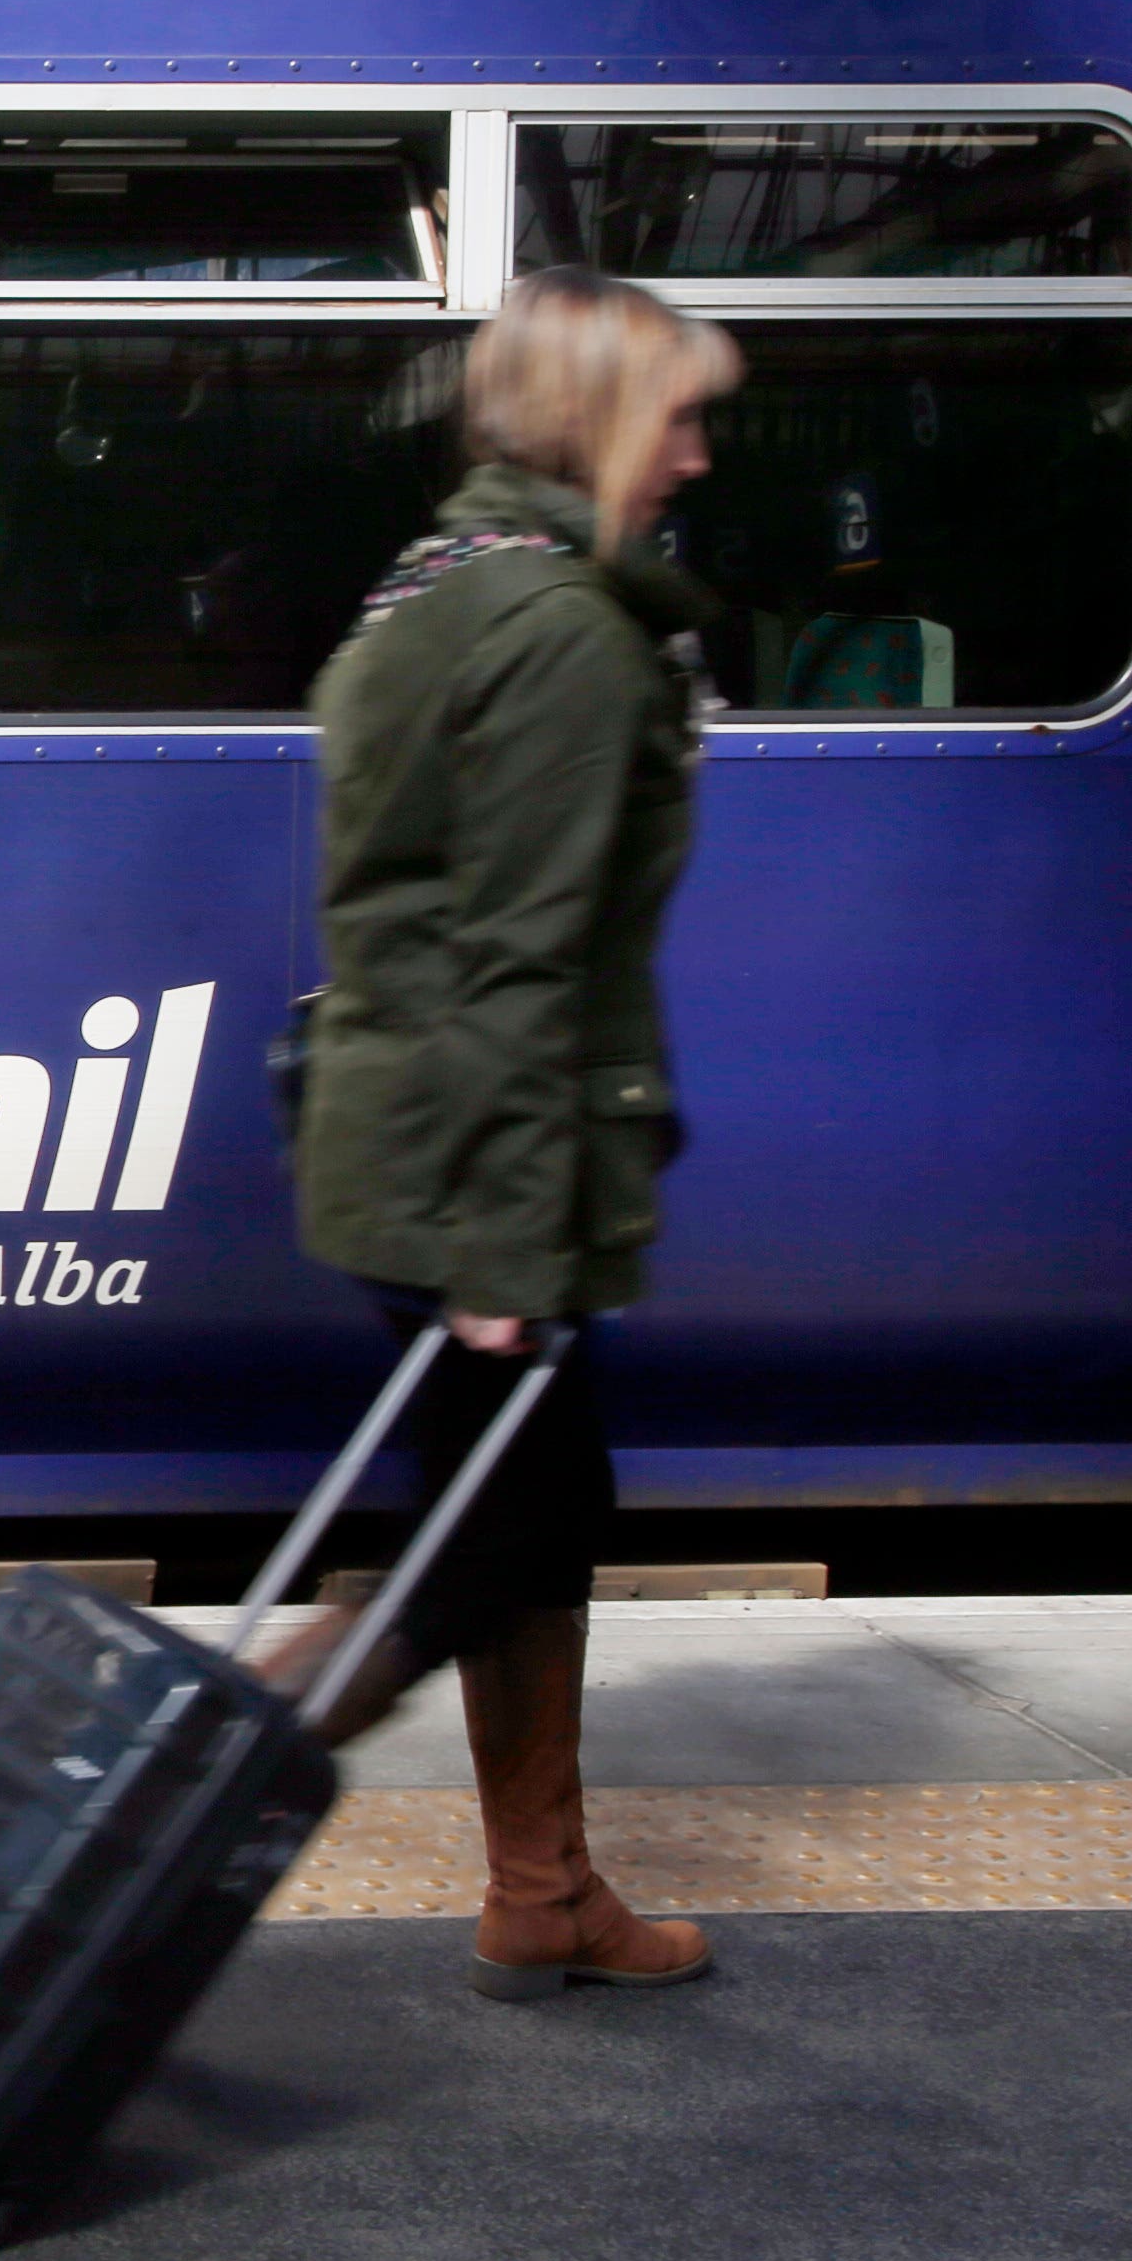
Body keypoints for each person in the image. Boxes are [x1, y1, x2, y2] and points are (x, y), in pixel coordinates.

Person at [277, 264, 738, 2002]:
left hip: (402, 1135)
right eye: (679, 416)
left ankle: (544, 1890)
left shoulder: (431, 587)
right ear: (598, 422)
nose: (698, 457)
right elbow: (522, 961)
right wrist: (498, 1256)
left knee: (532, 1515)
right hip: (482, 1164)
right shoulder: (565, 634)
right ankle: (212, 1760)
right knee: (508, 1534)